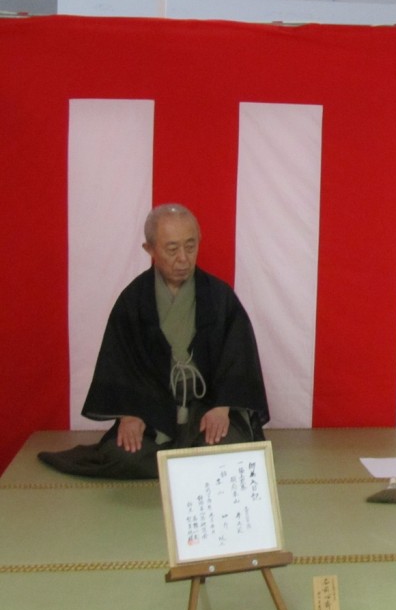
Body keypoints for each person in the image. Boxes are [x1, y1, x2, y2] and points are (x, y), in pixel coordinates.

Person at [39, 204, 270, 479]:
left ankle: (182, 462)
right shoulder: (134, 301)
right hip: (152, 413)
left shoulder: (219, 297)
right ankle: (185, 464)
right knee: (124, 456)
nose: (183, 259)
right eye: (172, 250)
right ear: (149, 249)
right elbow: (119, 361)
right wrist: (129, 414)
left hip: (205, 409)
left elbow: (238, 355)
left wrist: (222, 407)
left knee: (232, 450)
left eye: (190, 246)